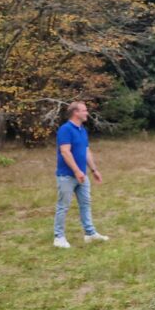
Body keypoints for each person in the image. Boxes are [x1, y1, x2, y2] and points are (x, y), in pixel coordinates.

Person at [53, 101, 108, 249]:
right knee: (63, 206)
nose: (87, 113)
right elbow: (65, 151)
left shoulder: (82, 130)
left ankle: (90, 234)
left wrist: (94, 170)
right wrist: (76, 171)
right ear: (75, 113)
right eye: (84, 110)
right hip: (67, 176)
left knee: (85, 204)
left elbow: (86, 151)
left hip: (82, 175)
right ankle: (59, 238)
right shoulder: (65, 130)